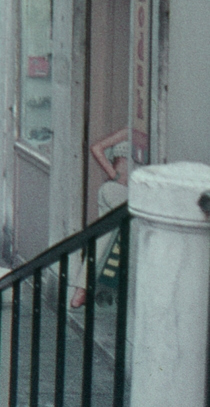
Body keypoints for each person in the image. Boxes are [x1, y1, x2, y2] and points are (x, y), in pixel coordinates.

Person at [70, 128, 133, 309]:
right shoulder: (133, 132)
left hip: (113, 190)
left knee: (104, 238)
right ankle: (97, 289)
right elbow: (96, 148)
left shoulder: (138, 134)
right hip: (119, 191)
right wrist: (116, 175)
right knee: (111, 237)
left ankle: (82, 290)